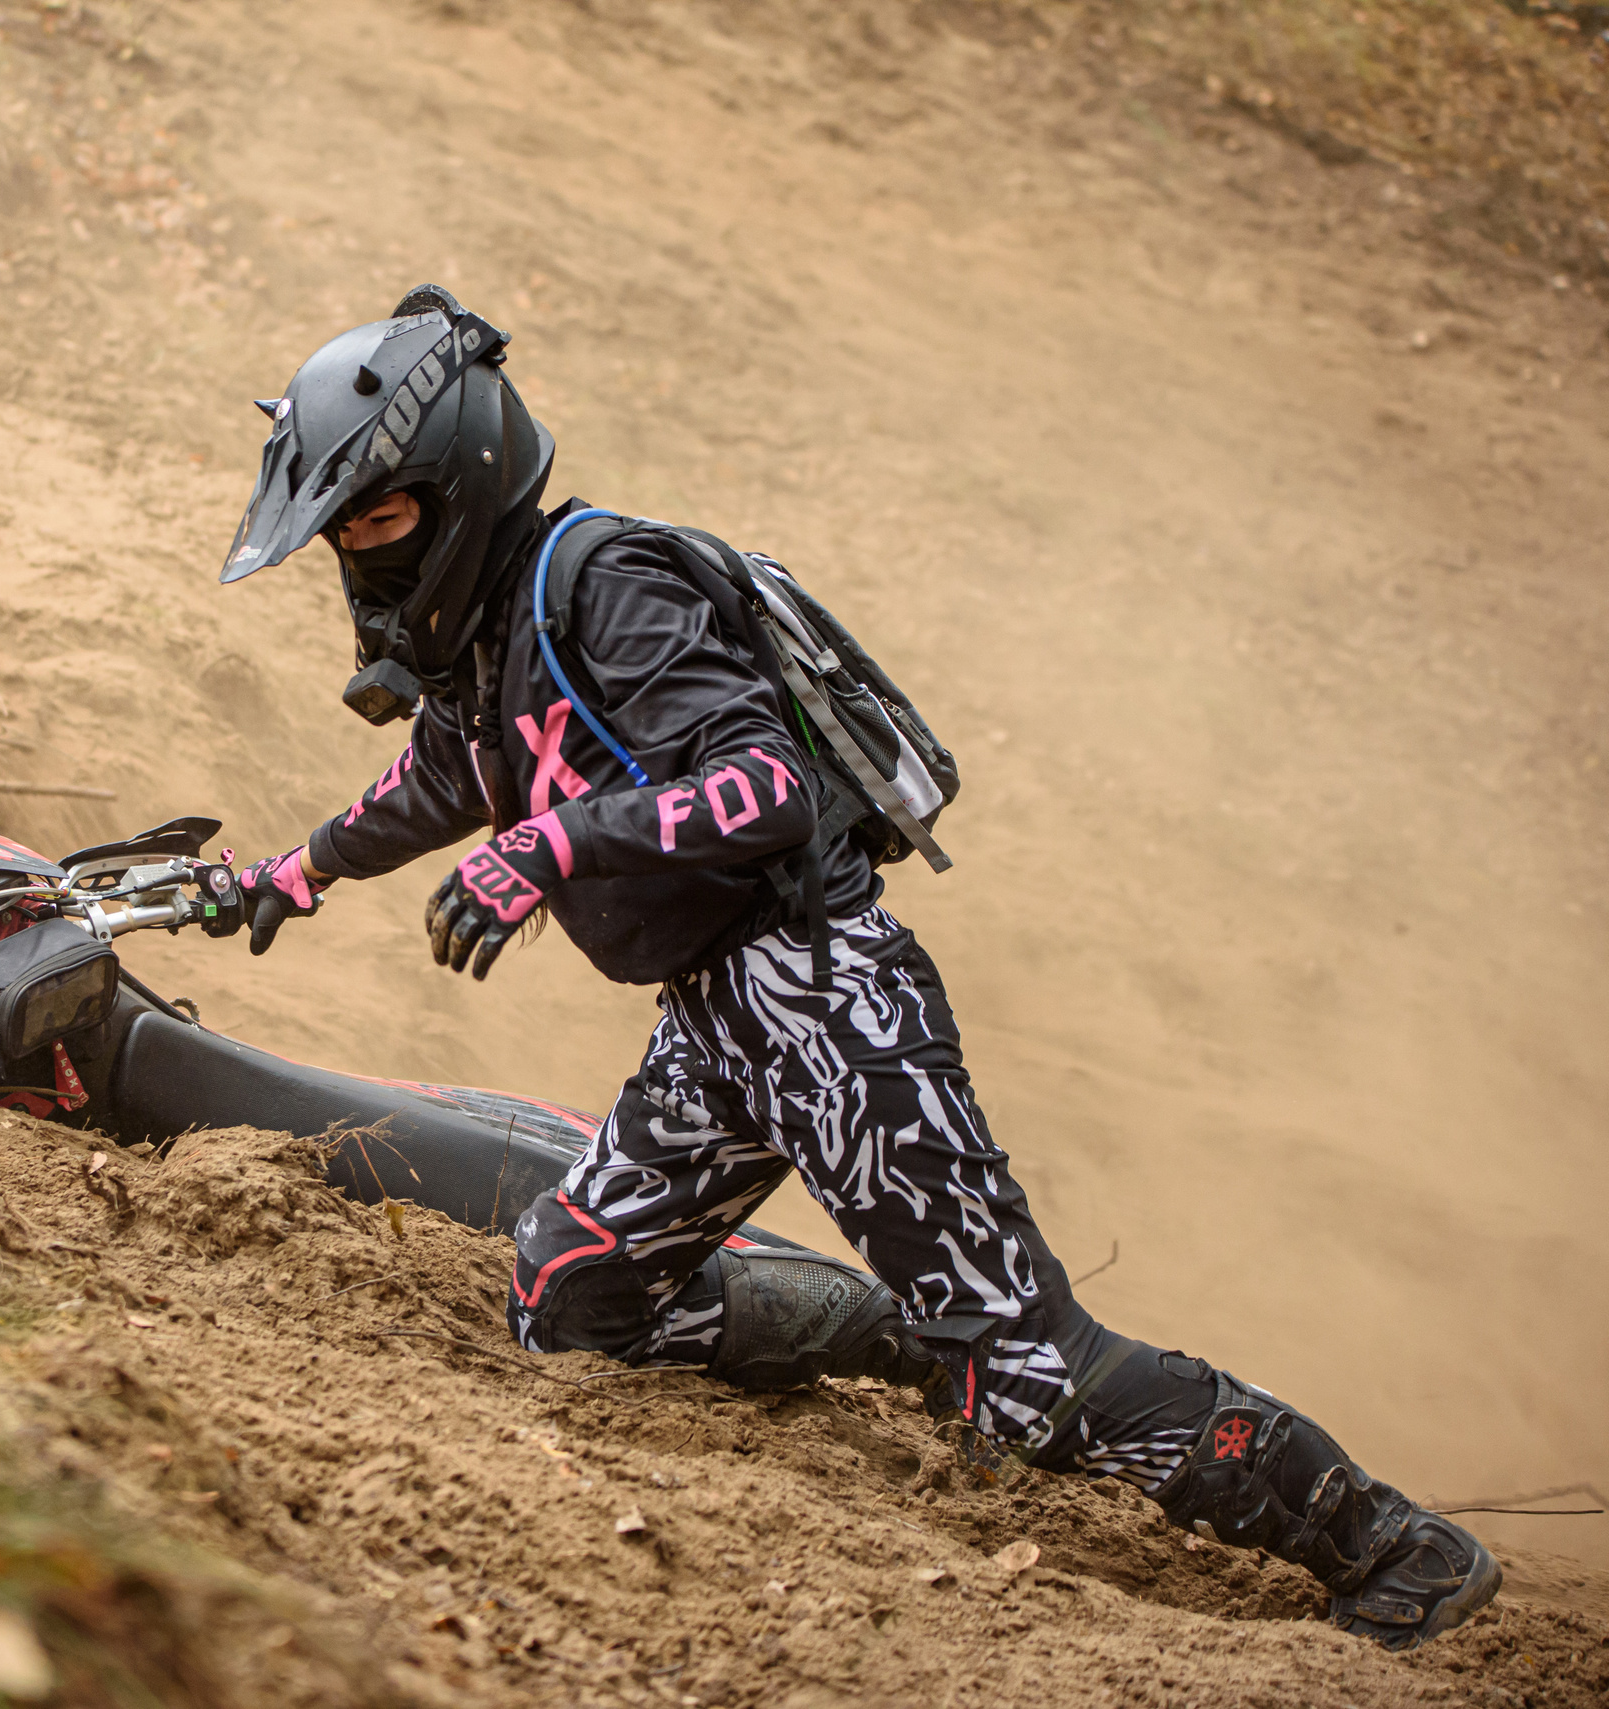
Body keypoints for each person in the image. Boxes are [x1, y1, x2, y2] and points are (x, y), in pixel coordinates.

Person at [216, 283, 1499, 1651]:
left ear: (459, 474)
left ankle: (1393, 1543)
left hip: (827, 1000)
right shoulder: (489, 642)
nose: (363, 554)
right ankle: (874, 1331)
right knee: (570, 1292)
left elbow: (765, 784)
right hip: (717, 1028)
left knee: (1030, 1380)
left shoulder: (606, 581)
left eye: (382, 515)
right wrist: (293, 873)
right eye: (346, 529)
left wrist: (552, 846)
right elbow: (439, 778)